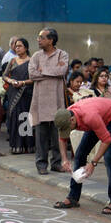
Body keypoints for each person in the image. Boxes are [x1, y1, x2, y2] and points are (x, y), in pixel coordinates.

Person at [52, 95, 111, 214]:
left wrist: (93, 163)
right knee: (80, 154)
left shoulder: (89, 117)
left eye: (68, 128)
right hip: (99, 116)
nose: (68, 132)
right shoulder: (66, 116)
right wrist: (64, 159)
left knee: (108, 157)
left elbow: (106, 140)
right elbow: (62, 139)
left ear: (72, 120)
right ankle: (73, 197)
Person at [29, 28, 69, 175]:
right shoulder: (36, 56)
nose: (38, 40)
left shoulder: (62, 54)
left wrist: (42, 70)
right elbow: (32, 74)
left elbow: (62, 71)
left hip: (57, 101)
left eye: (41, 38)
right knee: (41, 136)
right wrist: (52, 71)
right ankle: (41, 164)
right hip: (40, 102)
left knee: (57, 135)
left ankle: (57, 163)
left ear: (51, 40)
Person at [0, 37, 35, 155]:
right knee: (14, 118)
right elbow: (4, 76)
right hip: (14, 92)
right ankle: (16, 145)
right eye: (16, 46)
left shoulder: (32, 61)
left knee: (25, 118)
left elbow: (34, 79)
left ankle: (27, 145)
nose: (17, 48)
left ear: (26, 48)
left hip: (26, 93)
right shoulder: (13, 61)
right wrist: (11, 81)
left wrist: (23, 83)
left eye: (19, 46)